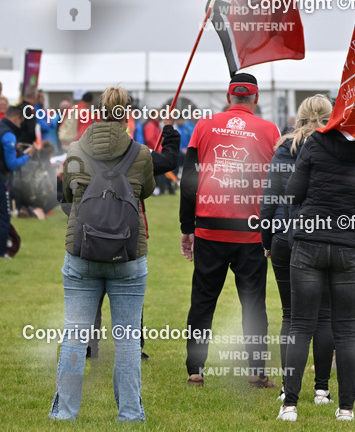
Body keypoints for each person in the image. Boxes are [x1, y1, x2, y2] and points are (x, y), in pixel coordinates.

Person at [50, 87, 155, 421]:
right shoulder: (140, 153)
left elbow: (66, 195)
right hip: (128, 255)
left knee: (75, 337)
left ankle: (65, 414)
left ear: (97, 113)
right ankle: (130, 414)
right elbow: (148, 191)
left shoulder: (75, 149)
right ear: (127, 114)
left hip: (82, 252)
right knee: (126, 341)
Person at [277, 96, 355, 422]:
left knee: (300, 325)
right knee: (345, 331)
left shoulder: (315, 145)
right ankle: (345, 409)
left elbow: (293, 193)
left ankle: (290, 405)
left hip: (309, 242)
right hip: (348, 247)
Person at [180, 72, 281, 387]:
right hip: (250, 231)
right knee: (253, 304)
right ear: (257, 97)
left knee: (202, 301)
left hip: (210, 226)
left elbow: (188, 181)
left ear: (228, 97)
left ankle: (196, 369)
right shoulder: (269, 130)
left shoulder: (204, 125)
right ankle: (257, 371)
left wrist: (187, 227)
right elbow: (277, 184)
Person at [259, 95, 336, 404]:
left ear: (300, 116)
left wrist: (267, 241)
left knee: (291, 315)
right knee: (324, 316)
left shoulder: (283, 149)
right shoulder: (337, 146)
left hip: (283, 236)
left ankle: (286, 388)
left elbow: (270, 200)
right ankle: (321, 388)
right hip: (324, 235)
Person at [86, 110, 180, 359]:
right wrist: (168, 129)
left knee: (92, 288)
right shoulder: (138, 152)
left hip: (91, 231)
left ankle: (89, 344)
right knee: (128, 287)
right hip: (127, 232)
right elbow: (170, 161)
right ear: (125, 122)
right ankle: (133, 343)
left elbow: (65, 192)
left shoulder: (82, 148)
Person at [0, 106, 33, 259]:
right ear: (16, 118)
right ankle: (1, 253)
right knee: (3, 217)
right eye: (21, 121)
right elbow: (12, 164)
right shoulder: (9, 134)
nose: (21, 124)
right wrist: (27, 156)